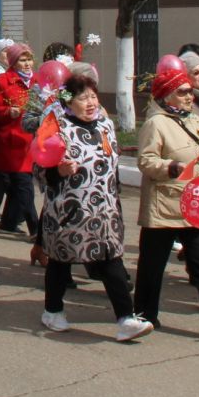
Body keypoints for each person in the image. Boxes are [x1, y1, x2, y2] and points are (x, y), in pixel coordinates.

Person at [37, 73, 156, 341]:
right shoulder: (56, 127)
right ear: (70, 102)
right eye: (83, 98)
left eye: (93, 96)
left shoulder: (105, 125)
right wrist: (58, 171)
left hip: (105, 211)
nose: (90, 102)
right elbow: (40, 168)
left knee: (111, 260)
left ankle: (126, 319)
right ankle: (52, 310)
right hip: (69, 211)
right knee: (60, 262)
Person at [134, 58, 199, 338]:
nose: (189, 96)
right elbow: (145, 161)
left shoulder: (193, 120)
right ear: (166, 94)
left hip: (192, 206)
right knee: (152, 266)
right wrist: (168, 167)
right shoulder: (156, 124)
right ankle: (145, 314)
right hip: (164, 206)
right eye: (182, 92)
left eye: (189, 91)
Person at [0, 43, 39, 238]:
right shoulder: (2, 81)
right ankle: (36, 229)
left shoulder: (37, 81)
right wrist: (8, 111)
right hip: (11, 142)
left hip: (32, 141)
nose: (26, 64)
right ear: (13, 62)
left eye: (28, 59)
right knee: (24, 186)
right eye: (22, 60)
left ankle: (8, 222)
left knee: (20, 185)